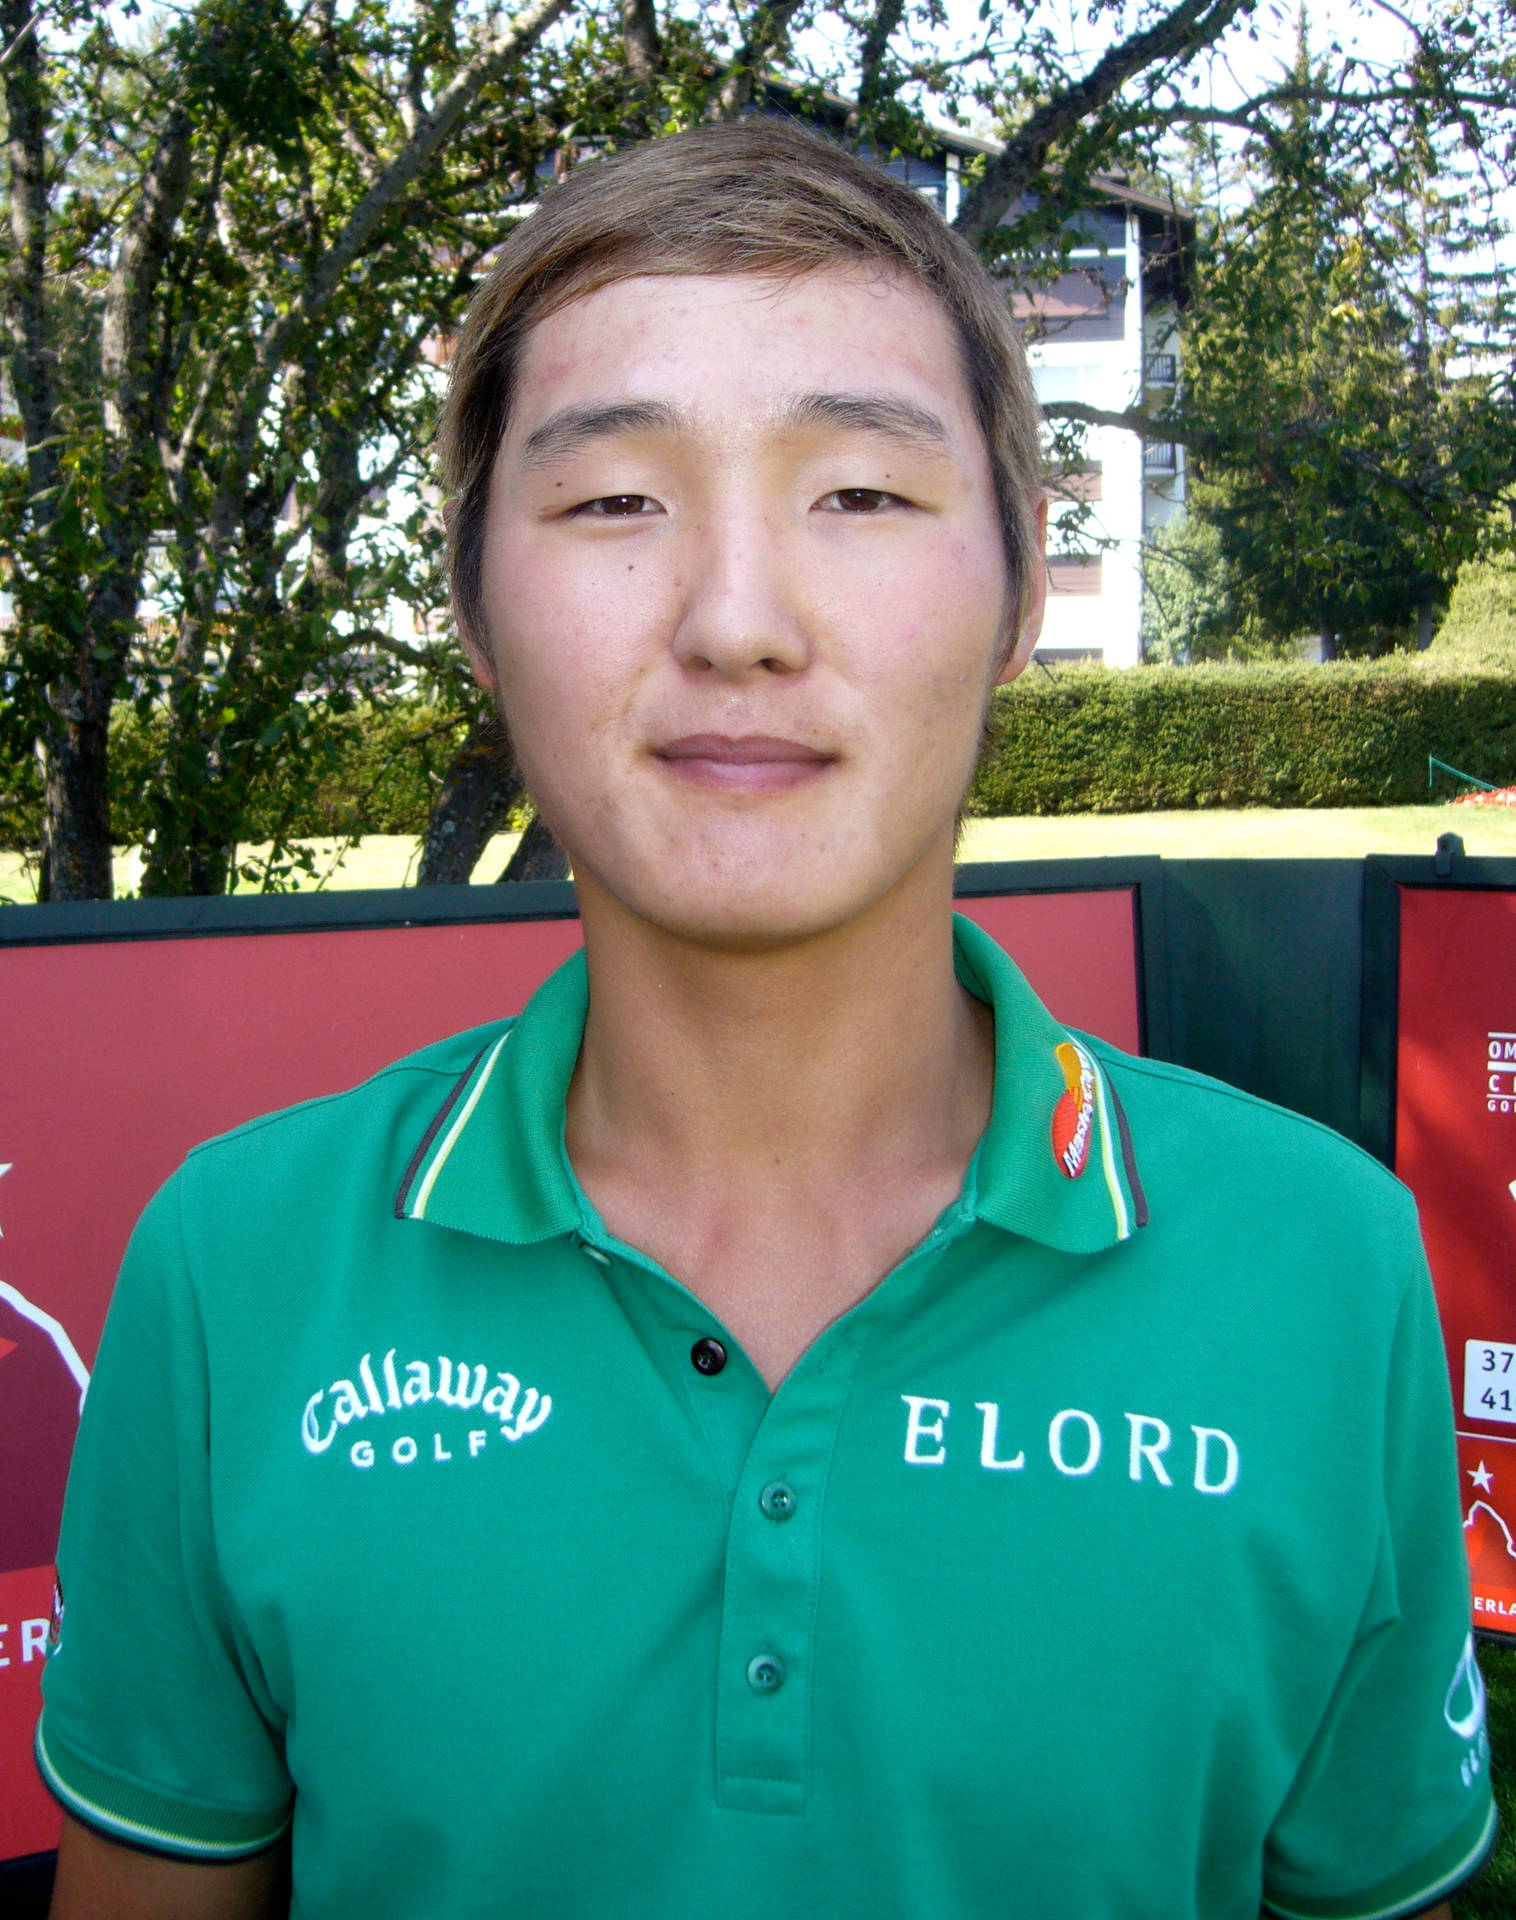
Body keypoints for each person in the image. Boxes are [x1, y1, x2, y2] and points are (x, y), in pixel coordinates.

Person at [38, 118, 1493, 1920]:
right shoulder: (237, 1270)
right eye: (614, 501)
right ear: (477, 608)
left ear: (1026, 583)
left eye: (862, 495)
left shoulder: (1323, 1268)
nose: (736, 619)